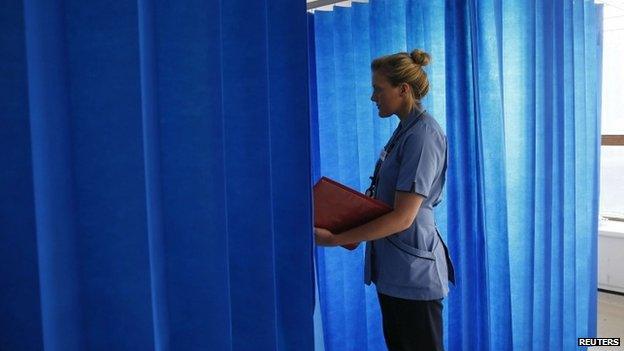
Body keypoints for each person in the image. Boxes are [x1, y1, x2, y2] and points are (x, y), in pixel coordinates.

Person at [314, 49, 455, 351]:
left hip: (413, 276)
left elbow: (403, 217)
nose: (373, 97)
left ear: (403, 90)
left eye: (378, 89)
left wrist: (336, 238)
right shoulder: (405, 131)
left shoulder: (424, 135)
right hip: (395, 270)